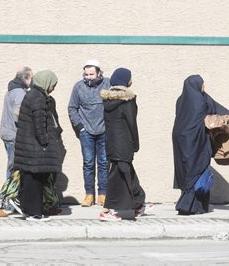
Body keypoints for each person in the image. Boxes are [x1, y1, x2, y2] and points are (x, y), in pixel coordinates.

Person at [172, 75, 229, 215]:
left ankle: (191, 205)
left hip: (180, 139)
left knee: (187, 168)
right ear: (197, 85)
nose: (204, 86)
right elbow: (218, 111)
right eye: (203, 84)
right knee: (198, 167)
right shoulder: (201, 100)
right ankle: (191, 205)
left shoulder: (180, 100)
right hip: (198, 139)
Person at [99, 68, 153, 221]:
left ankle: (138, 204)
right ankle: (106, 210)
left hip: (111, 144)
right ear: (125, 81)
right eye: (130, 78)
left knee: (126, 172)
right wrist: (136, 144)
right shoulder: (127, 100)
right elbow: (131, 124)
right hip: (123, 144)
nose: (131, 81)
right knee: (118, 176)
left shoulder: (107, 100)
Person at [11, 70, 65, 221]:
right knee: (34, 182)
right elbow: (40, 124)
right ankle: (34, 213)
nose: (53, 88)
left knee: (29, 180)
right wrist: (45, 141)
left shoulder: (32, 94)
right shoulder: (38, 98)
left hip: (28, 147)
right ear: (46, 83)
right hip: (34, 148)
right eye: (53, 85)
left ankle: (28, 210)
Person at [68, 60, 110, 206]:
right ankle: (89, 195)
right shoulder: (78, 87)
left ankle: (103, 194)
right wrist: (80, 127)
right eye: (86, 74)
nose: (89, 77)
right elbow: (72, 108)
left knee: (104, 163)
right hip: (86, 132)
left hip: (104, 131)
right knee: (88, 163)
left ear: (99, 72)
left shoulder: (108, 84)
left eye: (91, 74)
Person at [0, 67, 33, 179]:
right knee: (14, 167)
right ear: (26, 78)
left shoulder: (11, 91)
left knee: (12, 164)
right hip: (14, 135)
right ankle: (9, 194)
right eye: (32, 78)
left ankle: (10, 193)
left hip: (7, 133)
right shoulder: (19, 93)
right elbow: (18, 114)